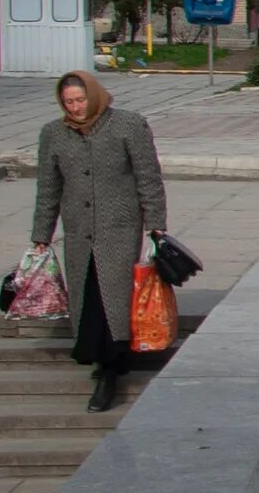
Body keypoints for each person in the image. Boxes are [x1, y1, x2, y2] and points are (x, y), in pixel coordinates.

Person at [30, 71, 167, 413]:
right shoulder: (53, 134)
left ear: (94, 95)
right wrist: (41, 236)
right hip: (78, 230)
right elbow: (48, 188)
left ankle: (109, 371)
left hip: (119, 227)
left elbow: (148, 176)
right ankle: (106, 361)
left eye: (81, 100)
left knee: (115, 296)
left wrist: (156, 224)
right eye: (69, 102)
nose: (76, 108)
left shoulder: (128, 125)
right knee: (88, 293)